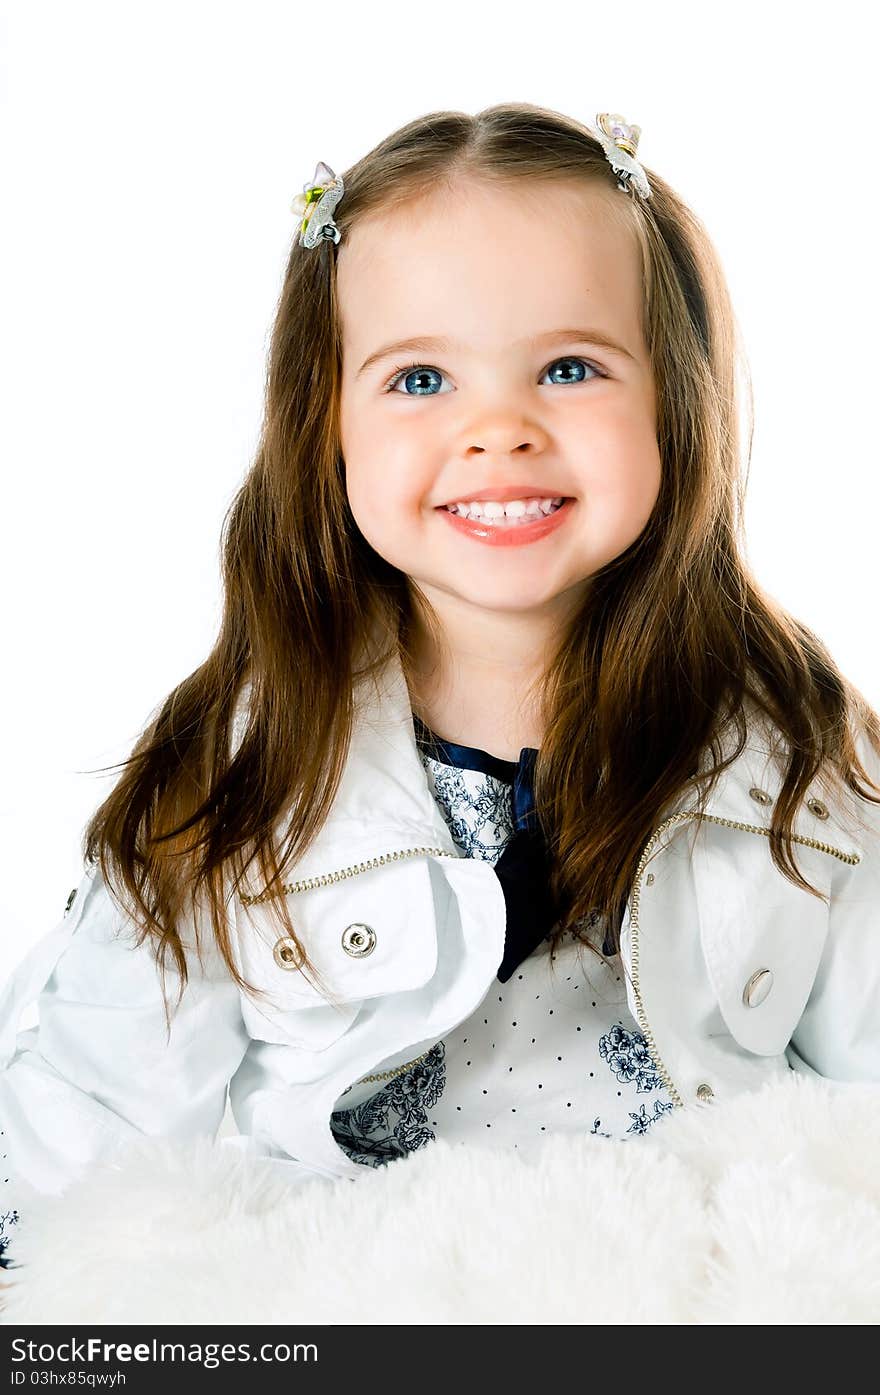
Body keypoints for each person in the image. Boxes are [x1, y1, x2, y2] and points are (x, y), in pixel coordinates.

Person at [3, 102, 880, 1280]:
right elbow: (81, 1127)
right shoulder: (248, 763)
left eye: (569, 368)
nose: (498, 432)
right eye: (419, 378)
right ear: (329, 428)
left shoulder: (789, 748)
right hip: (359, 1291)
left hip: (687, 1285)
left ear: (675, 403)